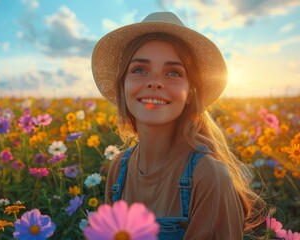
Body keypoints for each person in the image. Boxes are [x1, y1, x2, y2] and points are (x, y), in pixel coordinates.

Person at [92, 12, 266, 239]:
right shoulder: (118, 168)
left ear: (191, 94)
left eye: (173, 72)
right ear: (122, 85)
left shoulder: (208, 177)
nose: (154, 82)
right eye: (139, 70)